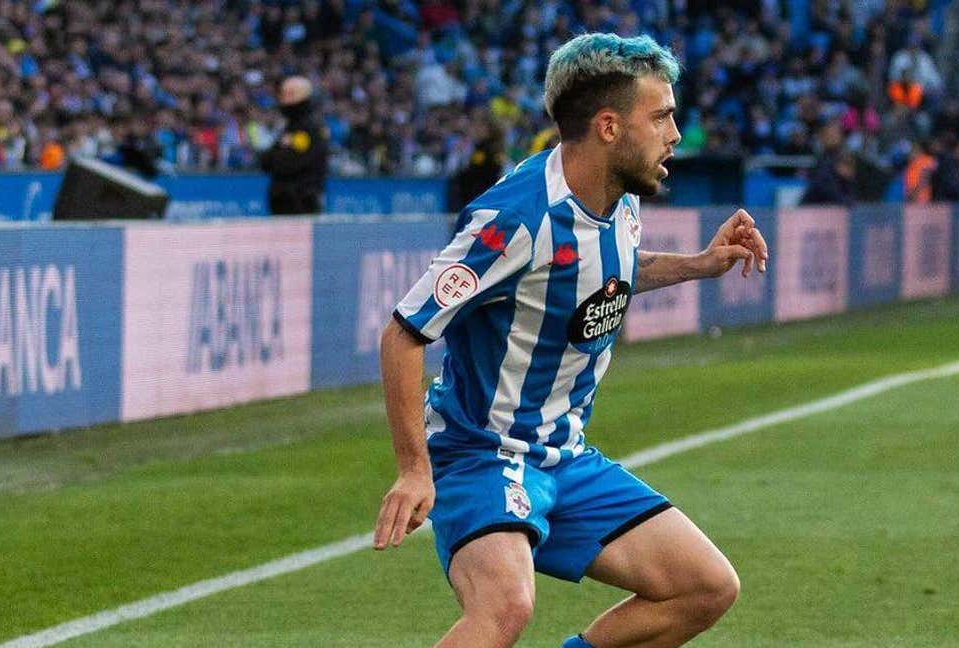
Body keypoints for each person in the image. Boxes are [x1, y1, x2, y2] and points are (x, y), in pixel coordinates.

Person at [372, 33, 769, 648]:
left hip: (564, 454)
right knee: (504, 608)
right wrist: (412, 470)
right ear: (609, 127)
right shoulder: (516, 219)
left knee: (706, 586)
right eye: (661, 115)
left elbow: (608, 272)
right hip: (482, 453)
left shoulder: (620, 198)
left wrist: (698, 263)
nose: (675, 132)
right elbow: (403, 334)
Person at [259, 76, 328, 215]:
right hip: (283, 203)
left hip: (301, 203)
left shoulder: (309, 130)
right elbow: (265, 161)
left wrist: (276, 155)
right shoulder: (288, 129)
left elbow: (287, 164)